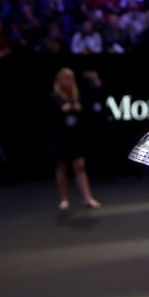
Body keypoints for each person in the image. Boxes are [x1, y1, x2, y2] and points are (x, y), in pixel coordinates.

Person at [50, 67, 101, 211]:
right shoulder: (54, 97)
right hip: (60, 137)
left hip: (75, 136)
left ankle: (87, 197)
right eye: (65, 79)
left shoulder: (78, 96)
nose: (68, 82)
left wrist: (78, 109)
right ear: (59, 81)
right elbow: (51, 118)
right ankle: (64, 199)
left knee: (79, 166)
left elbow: (88, 115)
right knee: (62, 166)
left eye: (70, 79)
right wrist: (63, 110)